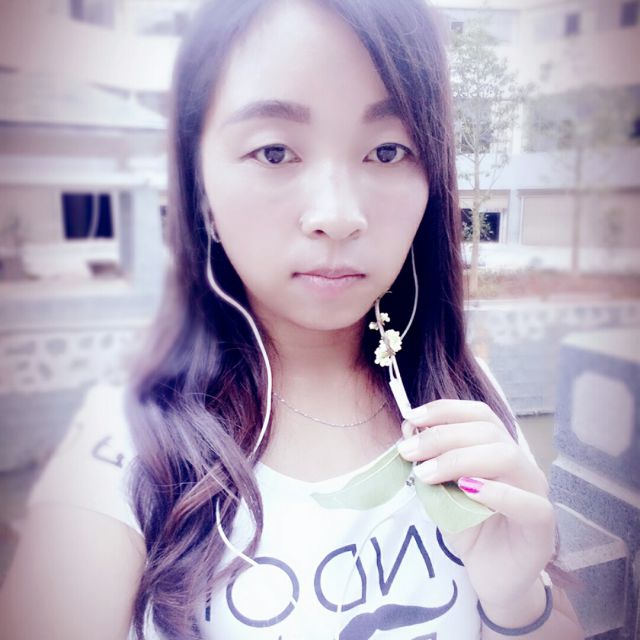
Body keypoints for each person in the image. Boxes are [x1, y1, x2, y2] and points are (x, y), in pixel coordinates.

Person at [0, 0, 585, 638]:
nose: (338, 215)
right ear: (200, 188)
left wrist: (516, 598)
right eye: (275, 152)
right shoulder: (127, 443)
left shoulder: (462, 400)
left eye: (388, 150)